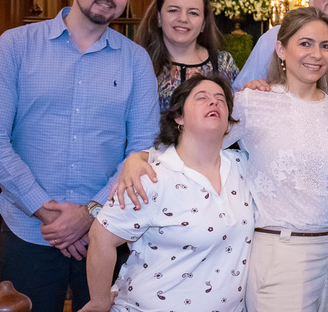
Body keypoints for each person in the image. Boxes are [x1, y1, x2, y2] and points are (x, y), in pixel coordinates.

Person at [116, 8, 328, 312]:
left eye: (325, 46)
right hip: (283, 253)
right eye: (305, 43)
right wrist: (139, 158)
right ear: (281, 49)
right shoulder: (253, 102)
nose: (317, 54)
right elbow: (192, 143)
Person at [0, 0, 159, 312]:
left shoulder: (135, 60)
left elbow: (143, 147)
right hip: (29, 229)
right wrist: (47, 212)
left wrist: (89, 212)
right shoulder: (16, 45)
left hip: (108, 230)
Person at [80, 75, 251, 312]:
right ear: (178, 117)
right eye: (202, 98)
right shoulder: (152, 177)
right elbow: (101, 236)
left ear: (229, 124)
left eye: (221, 99)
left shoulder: (244, 167)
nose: (214, 102)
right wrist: (99, 302)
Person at [135, 0, 238, 110]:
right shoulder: (139, 63)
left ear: (203, 24)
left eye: (193, 13)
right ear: (159, 18)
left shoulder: (223, 63)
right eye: (173, 10)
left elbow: (237, 114)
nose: (183, 19)